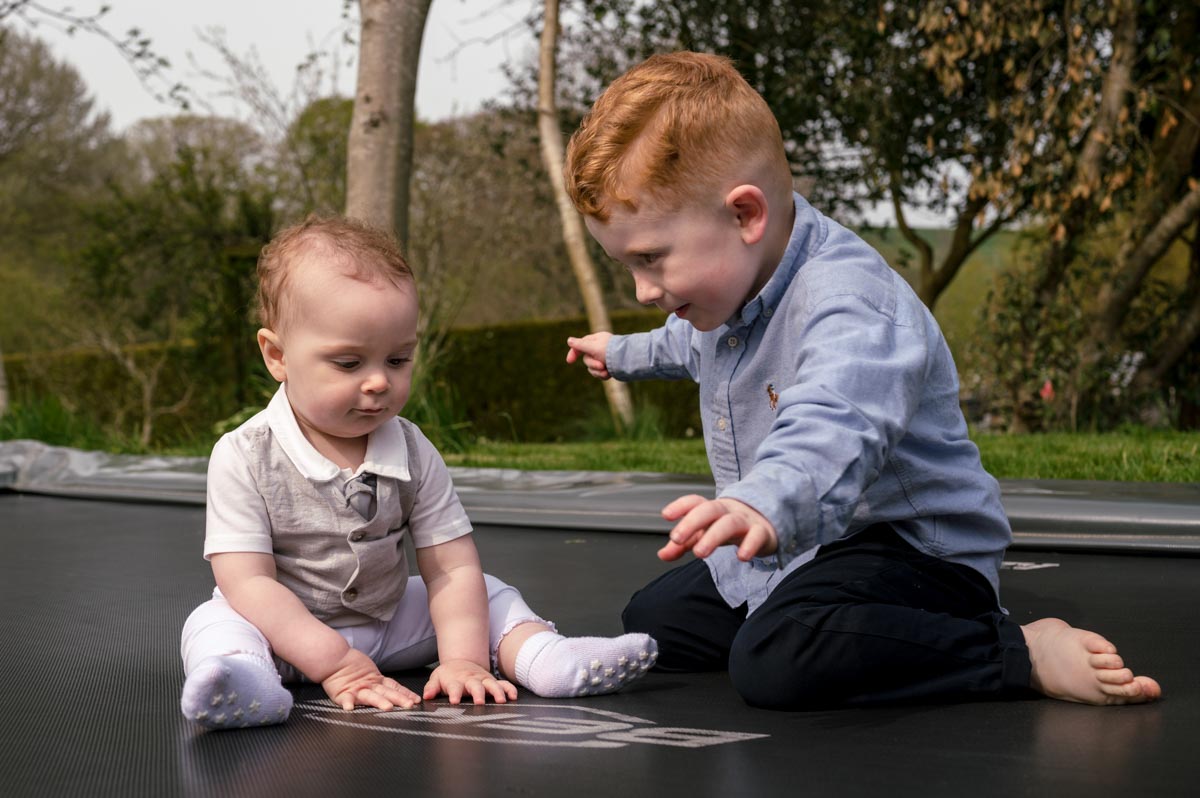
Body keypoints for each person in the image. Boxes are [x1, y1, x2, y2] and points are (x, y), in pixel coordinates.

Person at [563, 51, 1161, 709]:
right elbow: (688, 342)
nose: (643, 289)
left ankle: (1015, 650)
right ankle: (809, 612)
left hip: (914, 553)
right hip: (818, 542)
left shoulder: (849, 299)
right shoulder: (731, 292)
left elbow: (835, 419)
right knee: (656, 621)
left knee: (774, 658)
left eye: (651, 259)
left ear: (744, 216)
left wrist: (762, 500)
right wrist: (621, 353)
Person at [180, 216, 656, 730]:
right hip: (282, 638)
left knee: (486, 591)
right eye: (348, 363)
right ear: (277, 355)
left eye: (398, 358)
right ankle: (245, 683)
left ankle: (546, 657)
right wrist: (334, 661)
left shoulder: (411, 447)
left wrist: (463, 658)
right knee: (215, 621)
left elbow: (449, 566)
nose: (378, 382)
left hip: (387, 625)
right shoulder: (243, 454)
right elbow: (249, 582)